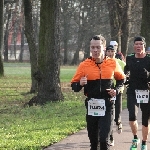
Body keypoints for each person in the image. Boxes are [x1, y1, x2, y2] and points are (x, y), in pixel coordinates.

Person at [71, 35, 125, 150]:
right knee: (94, 143)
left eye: (98, 47)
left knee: (104, 140)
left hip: (107, 105)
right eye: (93, 47)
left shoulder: (112, 63)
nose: (95, 50)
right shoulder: (84, 65)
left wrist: (116, 90)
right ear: (90, 48)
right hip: (92, 106)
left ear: (104, 47)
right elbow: (74, 87)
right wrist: (80, 83)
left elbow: (121, 79)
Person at [124, 36, 150, 150]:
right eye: (136, 44)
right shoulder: (129, 58)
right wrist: (126, 76)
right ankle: (135, 138)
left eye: (140, 44)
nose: (138, 46)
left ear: (144, 46)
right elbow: (126, 70)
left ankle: (144, 143)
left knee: (145, 120)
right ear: (134, 46)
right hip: (132, 90)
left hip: (146, 91)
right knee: (132, 117)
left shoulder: (149, 59)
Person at [105, 45, 126, 146]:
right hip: (108, 92)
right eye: (108, 51)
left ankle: (118, 122)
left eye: (111, 51)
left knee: (117, 113)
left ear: (115, 52)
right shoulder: (103, 62)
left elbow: (124, 75)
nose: (110, 53)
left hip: (118, 91)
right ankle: (110, 137)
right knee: (109, 116)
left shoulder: (120, 63)